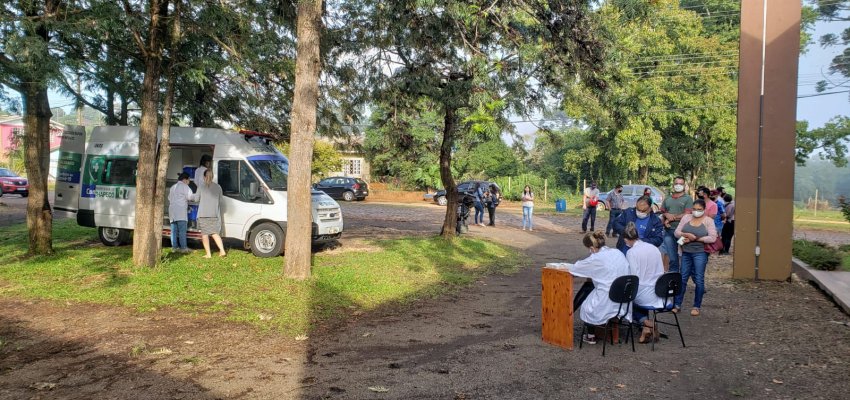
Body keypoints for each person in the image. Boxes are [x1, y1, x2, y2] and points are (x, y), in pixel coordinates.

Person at [570, 231, 631, 344]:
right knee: (590, 286)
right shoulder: (617, 252)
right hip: (623, 297)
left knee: (586, 306)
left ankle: (590, 335)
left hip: (608, 298)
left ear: (592, 248)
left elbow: (576, 268)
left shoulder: (596, 258)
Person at [621, 223, 665, 343]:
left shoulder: (632, 252)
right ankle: (646, 326)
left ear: (626, 239)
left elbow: (633, 276)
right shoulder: (653, 248)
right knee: (637, 294)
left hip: (643, 291)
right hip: (660, 290)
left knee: (626, 296)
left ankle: (646, 323)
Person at [673, 199, 718, 316]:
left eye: (699, 210)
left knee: (699, 279)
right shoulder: (686, 218)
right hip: (685, 252)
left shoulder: (708, 221)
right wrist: (685, 235)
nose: (696, 211)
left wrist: (696, 238)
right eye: (694, 209)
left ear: (704, 210)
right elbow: (677, 232)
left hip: (700, 253)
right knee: (682, 278)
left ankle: (696, 306)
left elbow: (713, 237)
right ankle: (677, 304)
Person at [661, 177, 693, 272]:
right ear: (673, 185)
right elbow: (663, 212)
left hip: (683, 232)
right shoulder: (668, 199)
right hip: (669, 232)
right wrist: (666, 215)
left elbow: (687, 214)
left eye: (680, 183)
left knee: (684, 255)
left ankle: (684, 276)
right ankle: (674, 277)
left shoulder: (688, 199)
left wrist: (671, 218)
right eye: (676, 183)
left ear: (684, 186)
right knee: (672, 257)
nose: (678, 185)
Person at [196, 169, 227, 258]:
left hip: (203, 214)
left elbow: (196, 199)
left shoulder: (201, 186)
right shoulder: (218, 187)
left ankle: (208, 254)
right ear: (212, 176)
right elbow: (221, 201)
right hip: (214, 214)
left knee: (205, 234)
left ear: (204, 176)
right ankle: (222, 250)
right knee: (214, 233)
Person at [168, 172, 197, 253]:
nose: (189, 182)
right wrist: (197, 195)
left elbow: (169, 198)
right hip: (180, 211)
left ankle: (174, 247)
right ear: (185, 179)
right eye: (189, 180)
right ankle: (183, 248)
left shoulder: (172, 187)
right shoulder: (185, 187)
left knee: (173, 230)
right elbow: (190, 197)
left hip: (172, 211)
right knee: (182, 230)